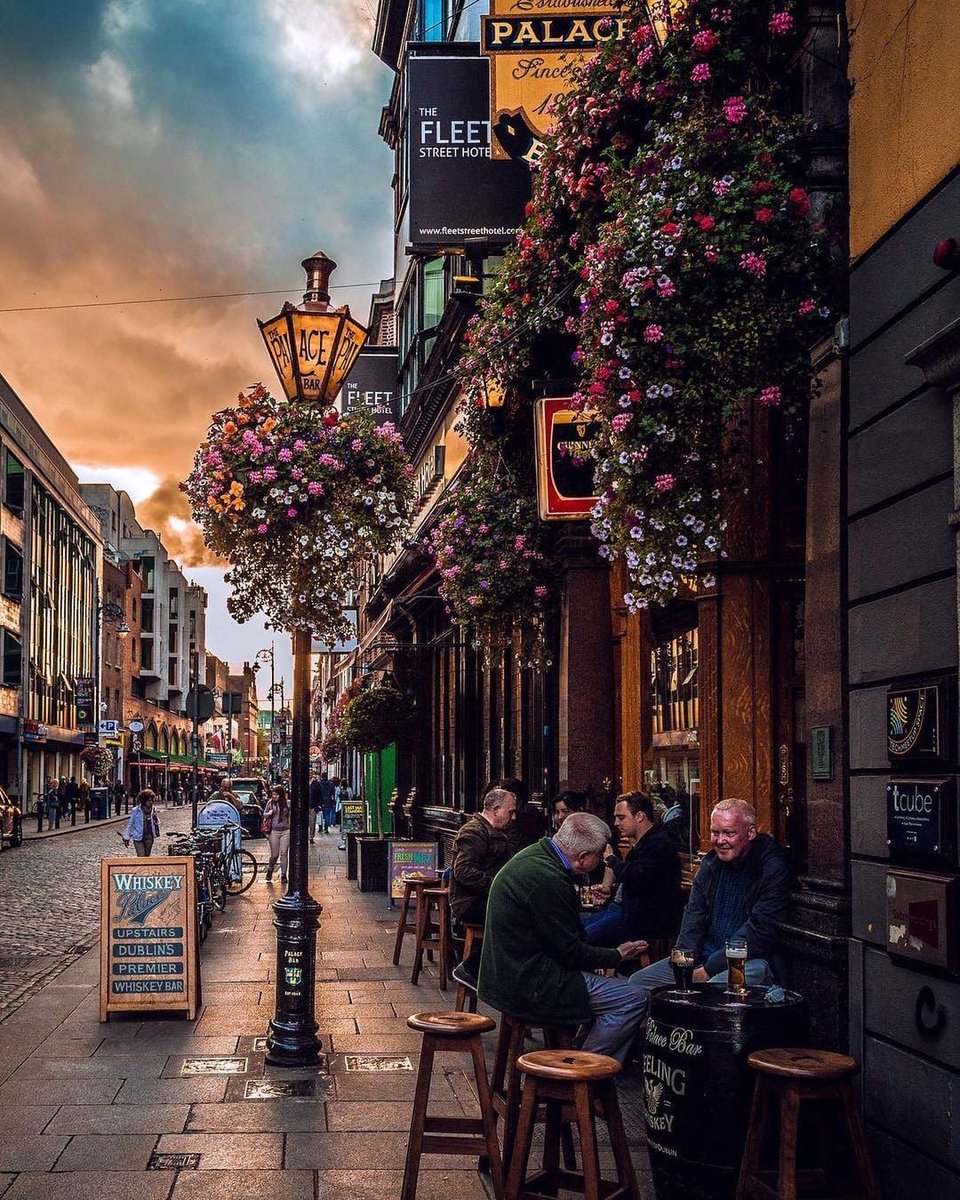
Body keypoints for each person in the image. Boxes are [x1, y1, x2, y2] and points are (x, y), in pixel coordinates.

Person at [478, 812, 649, 1065]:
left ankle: (576, 1051)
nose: (602, 860)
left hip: (510, 975)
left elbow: (562, 939)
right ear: (583, 858)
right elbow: (569, 952)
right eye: (600, 854)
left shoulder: (536, 855)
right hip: (531, 983)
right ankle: (580, 1071)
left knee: (616, 987)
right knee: (634, 997)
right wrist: (617, 955)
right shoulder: (548, 879)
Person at [629, 797, 795, 1004]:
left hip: (751, 960)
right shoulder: (710, 863)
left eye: (729, 833)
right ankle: (664, 1035)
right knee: (636, 984)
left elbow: (759, 931)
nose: (719, 840)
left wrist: (708, 969)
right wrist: (682, 962)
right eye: (715, 832)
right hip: (703, 956)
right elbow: (693, 916)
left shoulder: (772, 867)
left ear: (750, 833)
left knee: (709, 995)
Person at [583, 791, 682, 949]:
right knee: (572, 928)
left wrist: (610, 859)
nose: (616, 823)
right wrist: (611, 890)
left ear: (640, 817)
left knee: (579, 939)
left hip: (637, 919)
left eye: (621, 817)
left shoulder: (659, 844)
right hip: (621, 909)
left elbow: (636, 876)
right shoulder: (645, 842)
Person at [449, 787, 518, 989]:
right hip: (470, 903)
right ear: (496, 810)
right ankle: (471, 968)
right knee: (517, 921)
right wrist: (498, 886)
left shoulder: (494, 831)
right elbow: (463, 871)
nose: (513, 817)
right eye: (510, 812)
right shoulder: (474, 831)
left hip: (485, 899)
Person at [262, 784, 291, 885]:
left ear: (281, 795)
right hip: (274, 831)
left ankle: (283, 875)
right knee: (274, 855)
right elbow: (264, 814)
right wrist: (269, 813)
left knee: (284, 853)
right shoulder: (270, 803)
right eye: (273, 794)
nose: (274, 797)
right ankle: (270, 869)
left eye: (276, 795)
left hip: (286, 831)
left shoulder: (287, 803)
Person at [122, 789, 161, 856]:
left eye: (151, 800)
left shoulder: (153, 810)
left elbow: (157, 823)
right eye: (149, 800)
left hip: (149, 837)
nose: (150, 802)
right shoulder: (136, 810)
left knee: (147, 857)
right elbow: (130, 824)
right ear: (144, 801)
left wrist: (156, 819)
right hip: (138, 837)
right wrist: (126, 837)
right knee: (141, 856)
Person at [309, 775, 323, 842]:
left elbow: (319, 794)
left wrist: (319, 805)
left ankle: (311, 837)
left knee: (312, 822)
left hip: (312, 806)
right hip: (303, 807)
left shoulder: (316, 784)